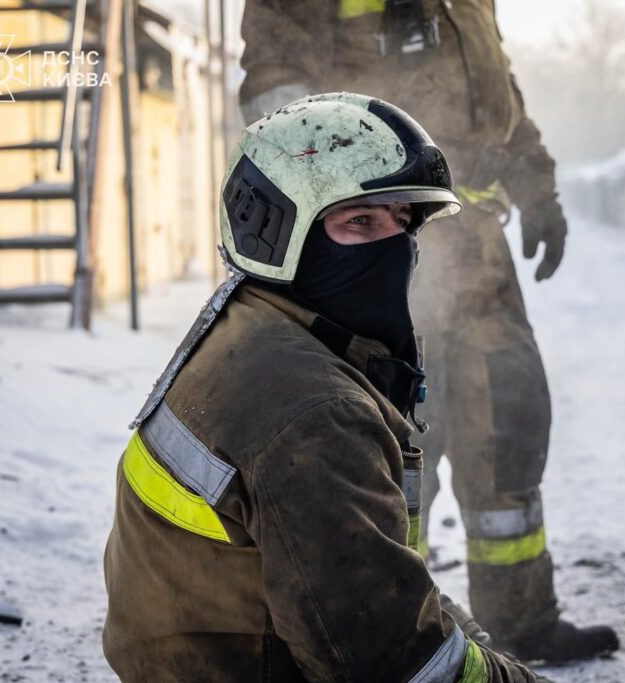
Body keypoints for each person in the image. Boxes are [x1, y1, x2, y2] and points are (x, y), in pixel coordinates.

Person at [103, 92, 550, 682]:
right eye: (360, 221)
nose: (395, 248)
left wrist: (473, 641)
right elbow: (393, 664)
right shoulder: (313, 412)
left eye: (403, 222)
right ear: (280, 232)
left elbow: (369, 583)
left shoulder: (256, 323)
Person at [238, 1, 618, 662]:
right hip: (381, 249)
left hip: (478, 252)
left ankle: (522, 615)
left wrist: (540, 192)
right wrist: (335, 210)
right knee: (389, 443)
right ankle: (385, 631)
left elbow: (499, 98)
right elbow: (275, 91)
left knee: (509, 425)